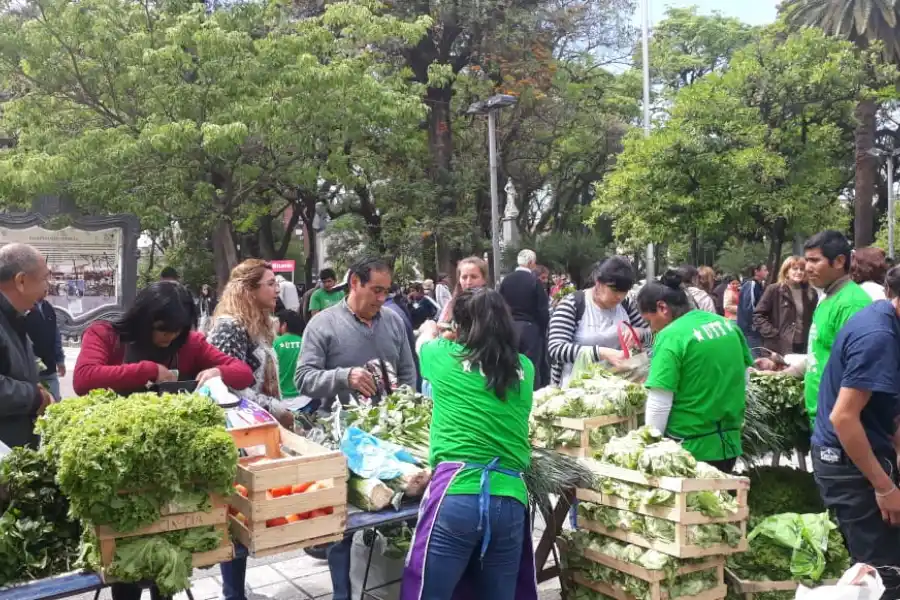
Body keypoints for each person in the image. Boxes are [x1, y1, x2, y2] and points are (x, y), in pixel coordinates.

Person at [72, 281, 253, 600]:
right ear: (144, 317)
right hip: (120, 469)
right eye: (162, 329)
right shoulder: (106, 335)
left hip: (169, 470)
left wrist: (218, 373)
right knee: (125, 561)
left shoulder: (190, 344)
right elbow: (84, 379)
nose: (168, 337)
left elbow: (242, 372)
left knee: (166, 558)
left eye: (177, 331)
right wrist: (148, 370)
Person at [401, 289, 536, 600]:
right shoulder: (525, 369)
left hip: (457, 495)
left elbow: (423, 343)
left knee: (429, 592)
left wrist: (437, 325)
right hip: (510, 499)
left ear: (459, 327)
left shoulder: (441, 356)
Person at [296, 257, 416, 600]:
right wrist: (343, 376)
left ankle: (404, 587)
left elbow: (408, 374)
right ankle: (341, 594)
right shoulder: (323, 325)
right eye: (375, 290)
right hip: (343, 439)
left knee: (407, 512)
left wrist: (405, 410)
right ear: (354, 284)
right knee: (343, 526)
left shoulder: (393, 321)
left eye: (385, 291)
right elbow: (303, 379)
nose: (381, 298)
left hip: (392, 436)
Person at [205, 260, 293, 600]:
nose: (277, 289)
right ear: (249, 290)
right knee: (236, 514)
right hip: (237, 432)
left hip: (258, 429)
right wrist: (276, 410)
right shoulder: (230, 327)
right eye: (270, 283)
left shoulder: (259, 324)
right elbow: (226, 390)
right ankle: (233, 593)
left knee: (246, 515)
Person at [811, 265, 900, 595]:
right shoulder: (878, 337)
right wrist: (885, 487)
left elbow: (889, 408)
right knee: (882, 573)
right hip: (848, 465)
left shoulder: (885, 317)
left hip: (863, 454)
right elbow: (843, 418)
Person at [638, 271, 753, 473]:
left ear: (662, 308)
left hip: (689, 450)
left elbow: (659, 401)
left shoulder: (671, 337)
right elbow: (744, 378)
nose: (652, 328)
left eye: (649, 321)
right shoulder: (726, 326)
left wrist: (652, 445)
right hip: (729, 445)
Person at [547, 257, 651, 387]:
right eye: (614, 290)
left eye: (624, 291)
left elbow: (653, 335)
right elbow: (556, 348)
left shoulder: (626, 305)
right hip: (576, 389)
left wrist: (639, 333)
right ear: (598, 283)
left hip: (618, 386)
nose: (619, 296)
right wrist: (601, 353)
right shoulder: (573, 304)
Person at [0, 243, 53, 449]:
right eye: (44, 279)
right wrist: (34, 396)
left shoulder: (14, 317)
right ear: (21, 281)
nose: (47, 288)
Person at [499, 249, 549, 389]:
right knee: (531, 368)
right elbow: (542, 310)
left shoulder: (506, 281)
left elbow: (500, 304)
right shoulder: (534, 282)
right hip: (530, 329)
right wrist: (543, 330)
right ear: (531, 263)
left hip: (509, 328)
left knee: (510, 366)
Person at [753, 256, 818, 356]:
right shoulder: (774, 290)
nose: (799, 272)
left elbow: (814, 318)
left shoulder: (811, 293)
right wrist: (774, 334)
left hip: (803, 346)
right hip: (778, 347)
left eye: (802, 269)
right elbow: (758, 315)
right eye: (795, 269)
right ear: (786, 271)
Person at [25, 290, 65, 400]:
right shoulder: (23, 309)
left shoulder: (48, 308)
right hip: (30, 371)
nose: (45, 287)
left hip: (49, 367)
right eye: (41, 280)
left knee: (54, 401)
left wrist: (60, 360)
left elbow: (56, 335)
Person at [274, 310, 308, 411]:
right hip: (306, 399)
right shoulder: (305, 342)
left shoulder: (275, 343)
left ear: (284, 325)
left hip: (282, 400)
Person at [438, 256, 489, 323]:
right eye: (464, 277)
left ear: (484, 279)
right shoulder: (451, 304)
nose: (468, 282)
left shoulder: (491, 303)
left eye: (474, 277)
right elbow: (441, 326)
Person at [737, 262, 768, 352]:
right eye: (765, 270)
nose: (767, 272)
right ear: (756, 272)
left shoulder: (759, 285)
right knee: (754, 355)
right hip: (750, 329)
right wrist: (756, 323)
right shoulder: (751, 285)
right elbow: (749, 307)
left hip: (755, 330)